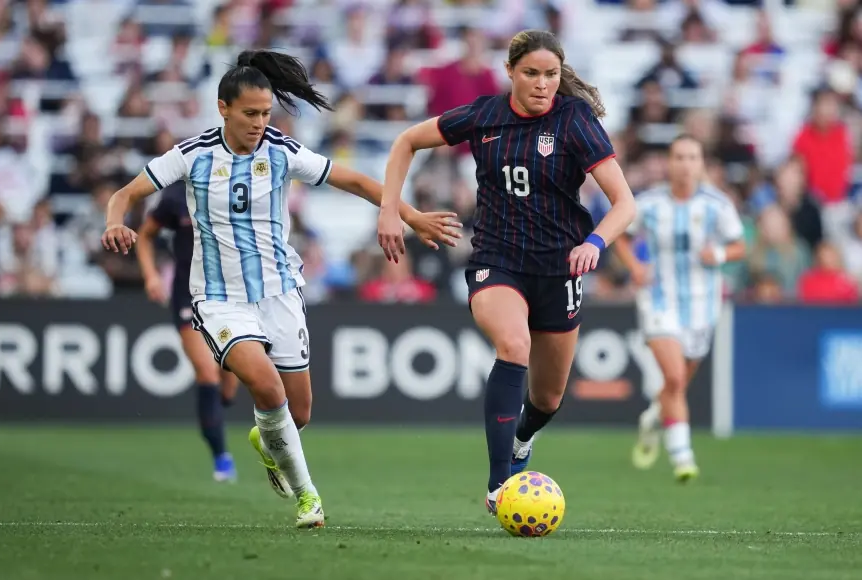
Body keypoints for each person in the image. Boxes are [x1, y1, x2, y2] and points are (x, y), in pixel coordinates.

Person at [102, 49, 462, 528]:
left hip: (280, 293)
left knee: (299, 413)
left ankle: (267, 439)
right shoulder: (192, 155)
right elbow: (125, 194)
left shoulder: (281, 151)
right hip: (219, 299)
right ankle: (308, 498)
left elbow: (354, 180)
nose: (259, 123)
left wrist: (409, 216)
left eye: (266, 113)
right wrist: (114, 221)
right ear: (223, 108)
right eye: (250, 113)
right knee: (268, 389)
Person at [377, 29, 637, 514]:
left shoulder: (574, 119)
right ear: (510, 72)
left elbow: (624, 203)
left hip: (559, 268)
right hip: (497, 261)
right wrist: (391, 209)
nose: (542, 84)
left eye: (551, 74)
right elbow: (406, 142)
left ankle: (522, 438)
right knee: (514, 345)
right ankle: (500, 485)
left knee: (548, 398)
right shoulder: (484, 115)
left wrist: (595, 242)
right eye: (532, 73)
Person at [613, 134, 746, 482]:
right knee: (673, 377)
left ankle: (652, 420)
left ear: (701, 164)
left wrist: (718, 254)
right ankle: (682, 457)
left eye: (692, 158)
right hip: (659, 298)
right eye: (679, 157)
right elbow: (620, 234)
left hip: (703, 304)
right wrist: (635, 266)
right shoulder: (650, 203)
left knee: (678, 384)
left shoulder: (717, 205)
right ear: (669, 163)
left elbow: (739, 246)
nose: (686, 165)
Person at [136, 182, 241, 483]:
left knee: (228, 385)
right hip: (188, 296)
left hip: (232, 297)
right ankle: (221, 457)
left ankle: (217, 410)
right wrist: (151, 276)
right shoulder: (175, 196)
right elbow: (145, 235)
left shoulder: (236, 185)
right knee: (207, 371)